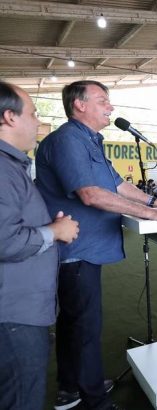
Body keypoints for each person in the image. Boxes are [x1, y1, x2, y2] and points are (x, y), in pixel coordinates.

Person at [35, 81, 157, 410]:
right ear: (80, 105)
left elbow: (116, 184)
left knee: (75, 322)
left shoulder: (90, 140)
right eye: (103, 101)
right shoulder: (67, 140)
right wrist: (150, 213)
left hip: (85, 248)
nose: (111, 107)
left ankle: (70, 387)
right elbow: (90, 193)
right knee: (86, 327)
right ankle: (95, 400)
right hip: (75, 250)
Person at [0, 81, 80, 410]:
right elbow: (5, 240)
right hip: (14, 317)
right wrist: (55, 231)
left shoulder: (13, 166)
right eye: (33, 114)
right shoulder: (3, 169)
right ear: (9, 117)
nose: (37, 121)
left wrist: (49, 226)